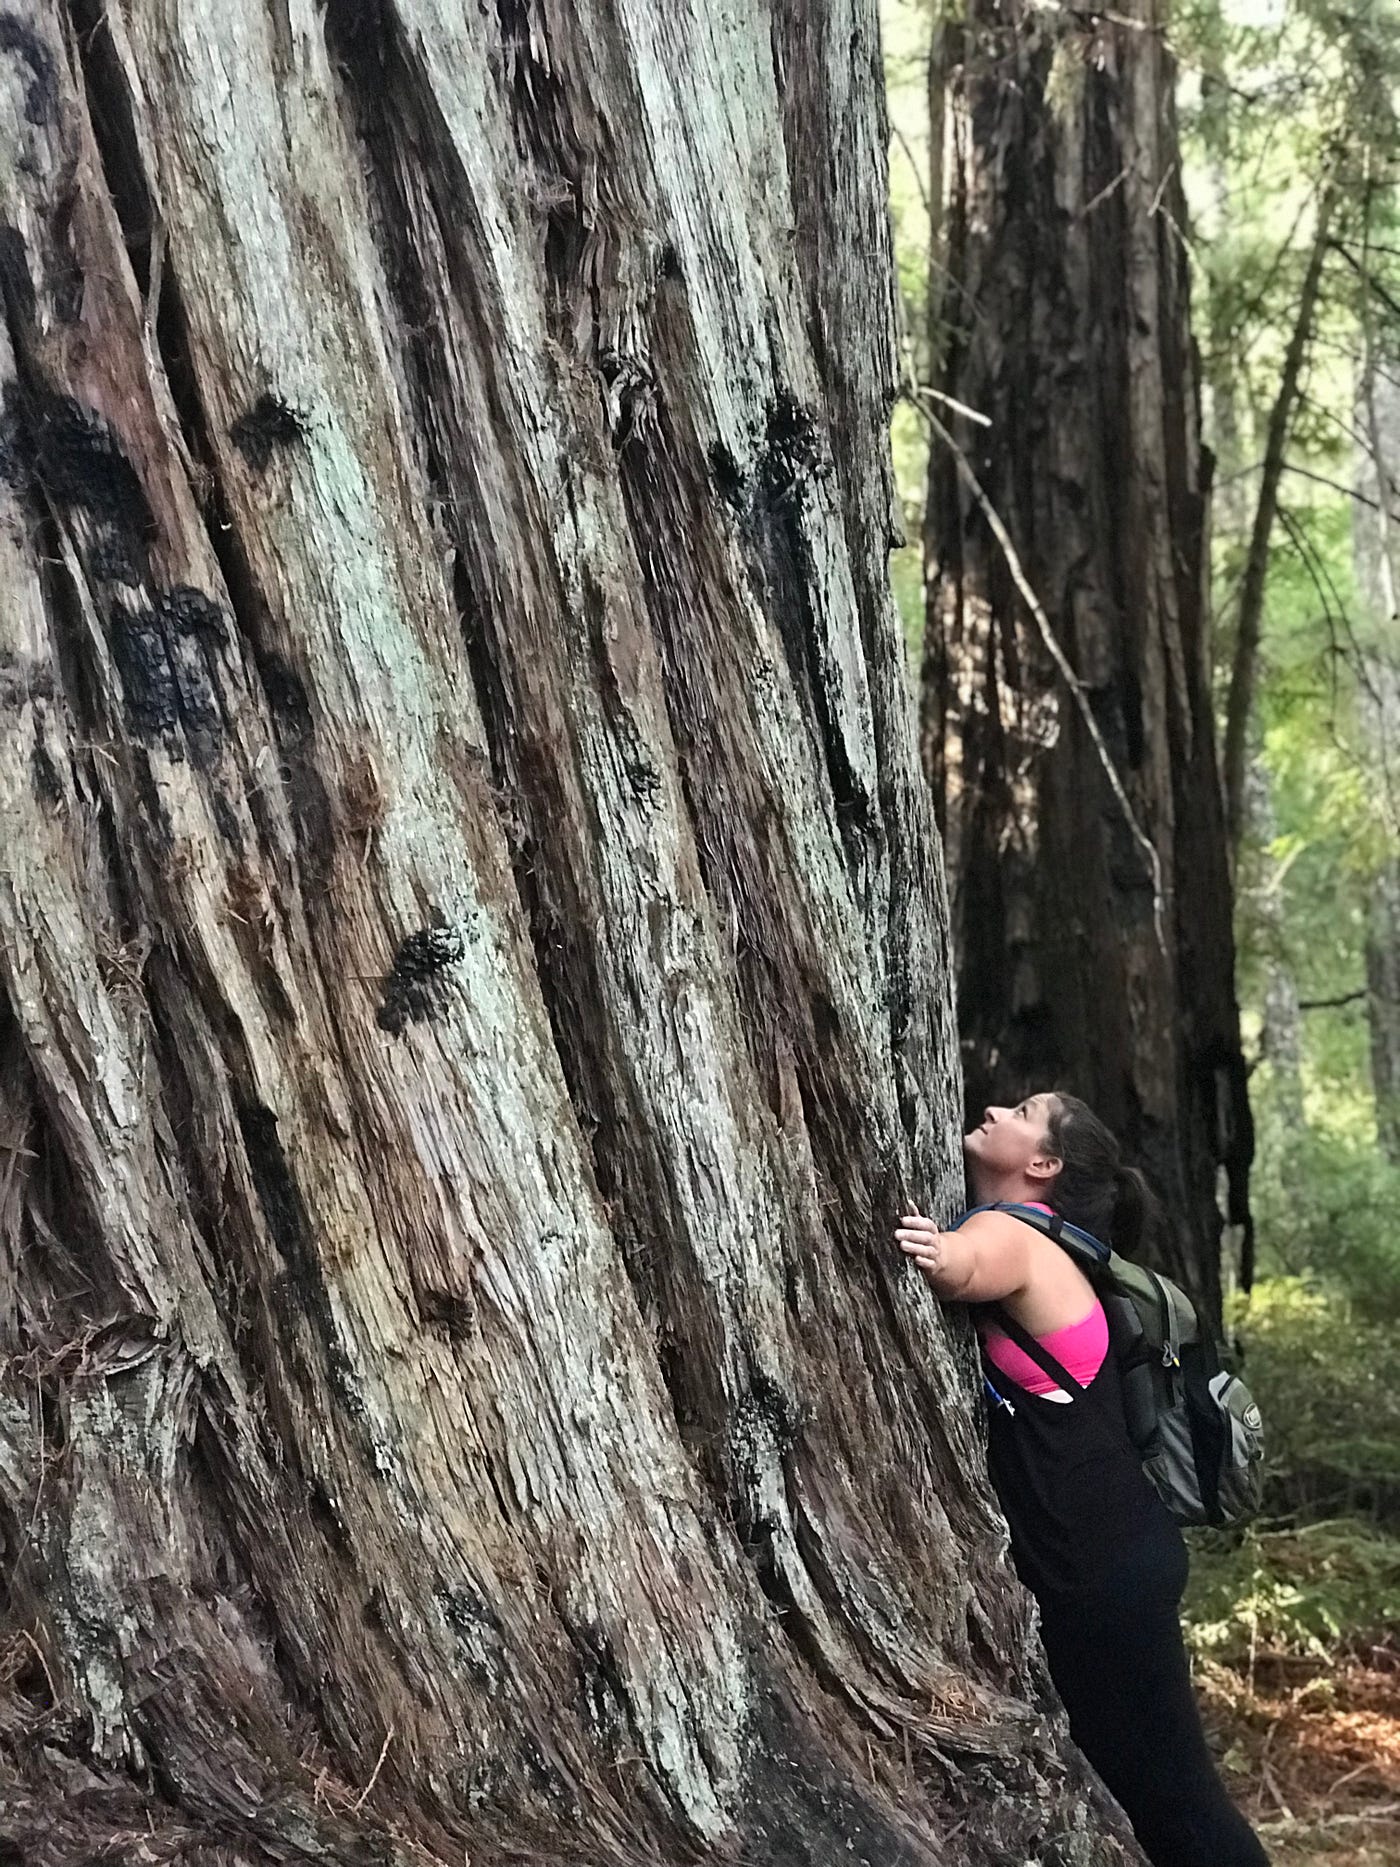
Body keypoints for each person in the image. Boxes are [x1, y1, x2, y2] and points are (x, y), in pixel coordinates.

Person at [895, 1091, 1269, 1867]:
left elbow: (969, 1266)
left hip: (1100, 1571)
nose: (996, 1107)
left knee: (1172, 1798)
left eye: (1024, 1109)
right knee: (1139, 1787)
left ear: (1042, 1164)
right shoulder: (1063, 1249)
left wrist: (936, 1249)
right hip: (1111, 1560)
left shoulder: (1019, 1238)